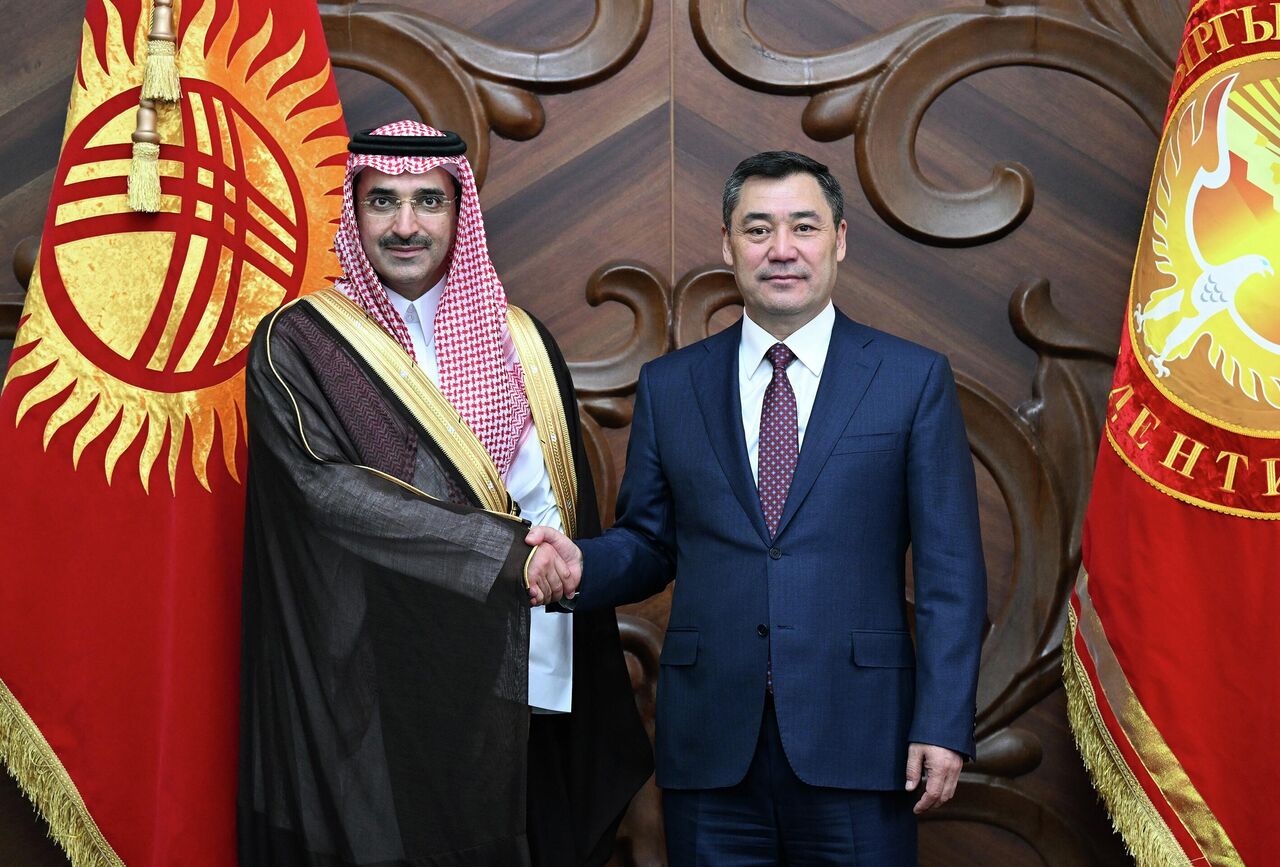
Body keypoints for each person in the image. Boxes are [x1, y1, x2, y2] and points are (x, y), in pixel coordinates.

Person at [528, 150, 987, 864]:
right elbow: (650, 541)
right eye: (757, 229)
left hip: (862, 742)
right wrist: (583, 564)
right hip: (711, 748)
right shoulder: (671, 385)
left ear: (839, 240)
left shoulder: (911, 378)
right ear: (727, 245)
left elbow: (950, 574)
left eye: (803, 227)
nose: (781, 249)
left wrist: (944, 722)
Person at [237, 120, 651, 867]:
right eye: (382, 201)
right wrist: (507, 557)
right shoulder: (299, 343)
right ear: (353, 211)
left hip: (527, 679)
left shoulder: (523, 341)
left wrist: (554, 571)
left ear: (460, 213)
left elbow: (560, 499)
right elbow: (332, 493)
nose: (406, 225)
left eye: (428, 201)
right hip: (384, 696)